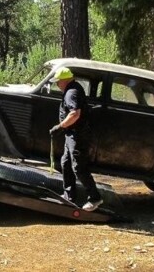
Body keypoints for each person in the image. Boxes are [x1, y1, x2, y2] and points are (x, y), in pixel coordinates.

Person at [49, 67, 103, 212]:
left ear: (64, 80)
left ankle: (95, 197)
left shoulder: (71, 93)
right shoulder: (74, 88)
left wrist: (60, 127)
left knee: (78, 166)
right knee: (65, 162)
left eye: (58, 82)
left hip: (77, 135)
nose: (57, 85)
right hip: (71, 134)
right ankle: (69, 196)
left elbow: (75, 114)